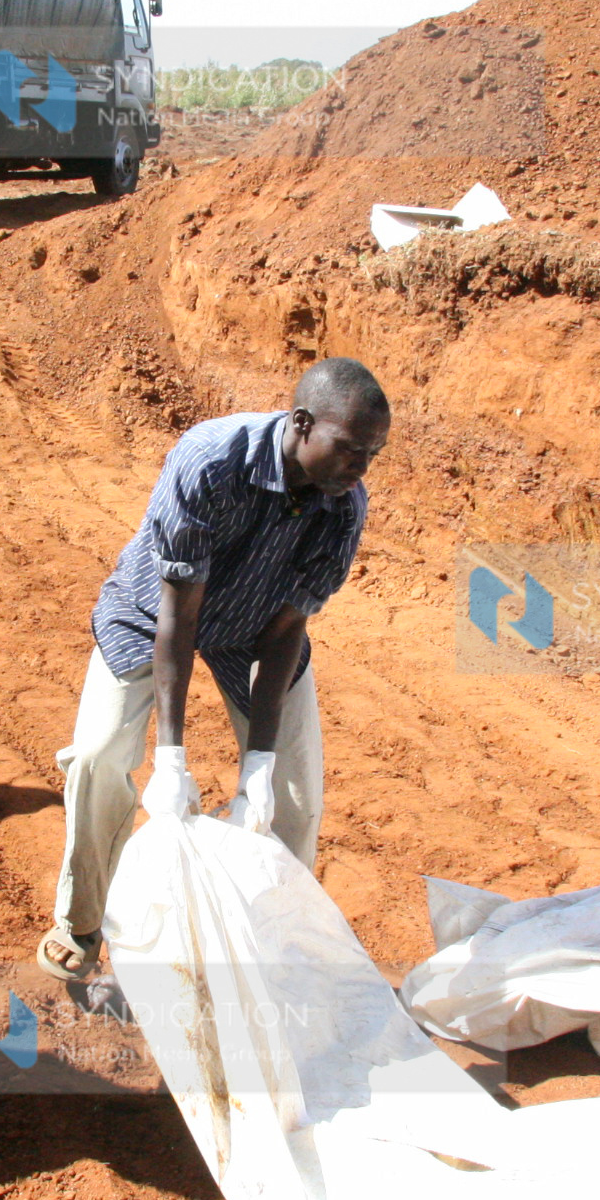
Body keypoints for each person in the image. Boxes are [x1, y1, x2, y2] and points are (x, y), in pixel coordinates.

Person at [38, 359, 391, 983]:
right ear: (302, 425)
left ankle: (276, 944)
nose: (361, 468)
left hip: (256, 629)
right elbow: (179, 613)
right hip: (153, 613)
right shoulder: (210, 460)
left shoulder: (343, 506)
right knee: (97, 757)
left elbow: (287, 628)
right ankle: (82, 922)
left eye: (372, 454)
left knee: (295, 793)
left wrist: (258, 765)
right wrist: (170, 760)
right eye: (350, 450)